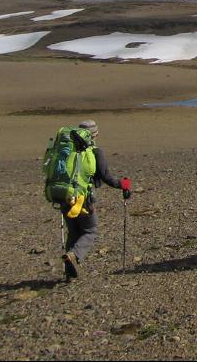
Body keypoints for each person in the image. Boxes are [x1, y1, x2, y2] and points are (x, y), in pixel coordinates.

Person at [62, 119, 131, 279]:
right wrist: (124, 184)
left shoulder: (67, 152)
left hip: (65, 197)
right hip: (84, 199)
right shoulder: (95, 152)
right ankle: (74, 256)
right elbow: (107, 178)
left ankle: (69, 270)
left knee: (73, 232)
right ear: (96, 134)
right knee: (89, 230)